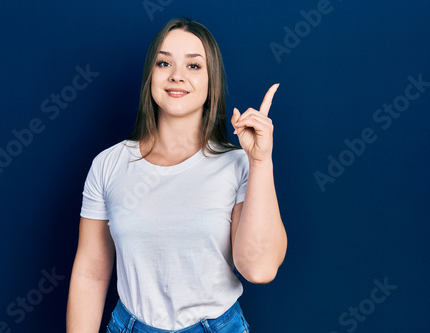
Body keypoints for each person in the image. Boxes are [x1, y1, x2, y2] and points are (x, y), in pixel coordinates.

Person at [66, 17, 287, 333]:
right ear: (150, 76)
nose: (177, 76)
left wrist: (261, 162)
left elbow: (259, 269)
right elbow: (91, 272)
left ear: (213, 81)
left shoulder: (238, 164)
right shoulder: (109, 164)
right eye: (164, 62)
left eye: (194, 66)